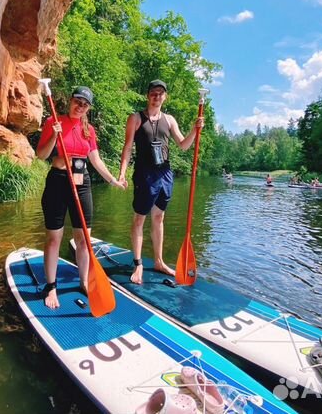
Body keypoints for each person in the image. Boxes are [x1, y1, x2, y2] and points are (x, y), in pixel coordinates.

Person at [36, 86, 126, 309]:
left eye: (85, 105)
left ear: (88, 109)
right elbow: (41, 155)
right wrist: (55, 135)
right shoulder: (53, 122)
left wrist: (112, 180)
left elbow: (95, 160)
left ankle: (84, 281)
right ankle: (51, 287)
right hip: (58, 180)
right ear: (70, 100)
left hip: (81, 182)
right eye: (78, 101)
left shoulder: (89, 130)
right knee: (54, 238)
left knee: (84, 238)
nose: (80, 107)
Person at [118, 79, 204, 284]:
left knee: (159, 219)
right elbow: (128, 147)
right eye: (153, 93)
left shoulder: (170, 120)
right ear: (148, 96)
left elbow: (183, 146)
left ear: (165, 97)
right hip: (144, 174)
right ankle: (138, 263)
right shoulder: (136, 118)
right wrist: (122, 173)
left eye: (161, 93)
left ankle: (158, 261)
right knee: (140, 219)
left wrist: (195, 129)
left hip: (165, 174)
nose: (157, 96)